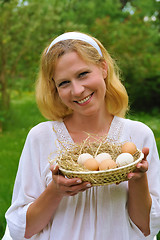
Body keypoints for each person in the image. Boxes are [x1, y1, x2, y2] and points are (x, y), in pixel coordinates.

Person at [4, 32, 160, 240]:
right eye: (64, 83)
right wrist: (56, 190)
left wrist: (138, 180)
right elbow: (22, 230)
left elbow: (147, 228)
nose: (77, 90)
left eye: (83, 74)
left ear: (103, 68)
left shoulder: (138, 136)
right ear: (55, 89)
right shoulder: (42, 137)